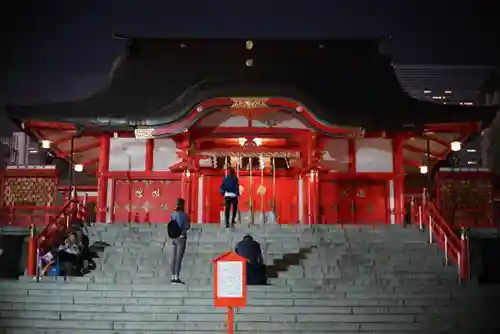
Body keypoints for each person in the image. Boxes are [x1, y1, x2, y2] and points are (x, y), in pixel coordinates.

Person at [170, 198, 190, 284]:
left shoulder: (173, 214)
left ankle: (172, 276)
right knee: (178, 258)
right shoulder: (184, 215)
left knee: (174, 258)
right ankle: (176, 277)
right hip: (181, 238)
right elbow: (187, 226)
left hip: (174, 238)